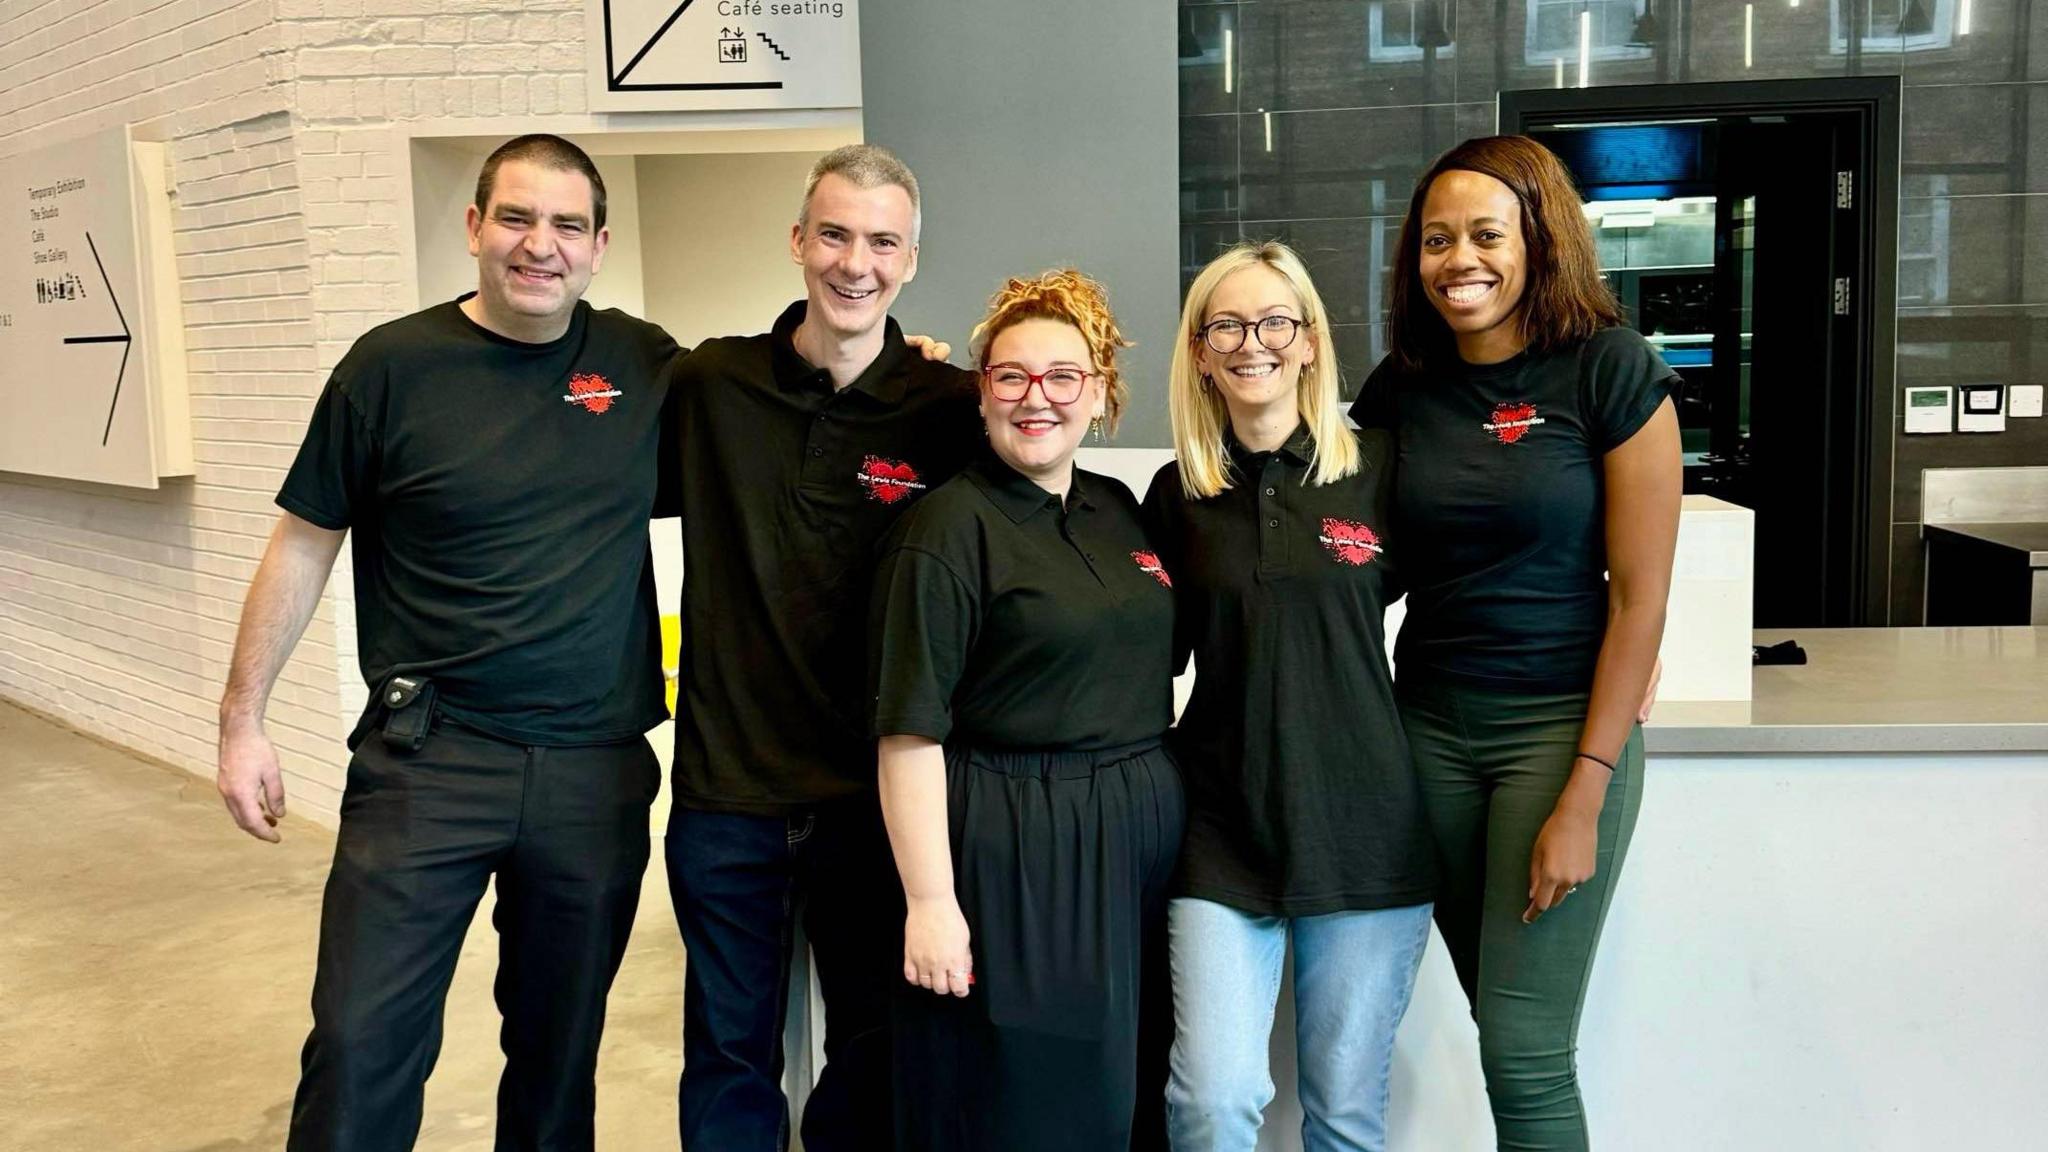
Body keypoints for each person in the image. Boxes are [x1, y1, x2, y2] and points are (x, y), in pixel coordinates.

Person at [215, 134, 679, 1150]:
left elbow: (774, 440)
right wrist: (242, 721)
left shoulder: (642, 366)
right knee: (358, 1039)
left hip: (590, 769)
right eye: (515, 217)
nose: (538, 245)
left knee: (559, 1056)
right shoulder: (390, 368)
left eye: (565, 225)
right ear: (473, 228)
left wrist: (897, 366)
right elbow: (302, 541)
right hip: (429, 763)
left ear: (598, 244)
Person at [1352, 135, 1682, 1151]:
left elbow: (1639, 602)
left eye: (1486, 235)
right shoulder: (1399, 388)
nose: (1461, 260)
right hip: (1427, 739)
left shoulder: (1610, 372)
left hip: (1556, 735)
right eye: (1436, 240)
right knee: (1500, 1025)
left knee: (1525, 1053)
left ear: (1538, 240)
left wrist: (1583, 792)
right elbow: (1357, 561)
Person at [661, 144, 982, 1151]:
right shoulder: (710, 383)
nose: (855, 262)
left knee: (875, 1053)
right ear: (797, 241)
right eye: (834, 234)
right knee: (725, 1057)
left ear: (911, 260)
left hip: (870, 805)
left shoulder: (947, 409)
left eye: (881, 242)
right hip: (727, 797)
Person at [869, 269, 1186, 1150]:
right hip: (1022, 840)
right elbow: (908, 731)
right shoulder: (947, 529)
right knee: (1042, 1097)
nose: (1035, 397)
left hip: (1139, 845)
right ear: (981, 395)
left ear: (1099, 393)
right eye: (1010, 376)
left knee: (1131, 1083)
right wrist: (930, 901)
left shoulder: (1117, 509)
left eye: (1062, 376)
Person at [1142, 242, 1436, 1151]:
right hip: (1220, 833)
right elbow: (1133, 652)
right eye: (1225, 324)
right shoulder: (1178, 493)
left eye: (1276, 321)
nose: (1251, 343)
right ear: (1198, 350)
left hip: (1367, 827)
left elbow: (1489, 586)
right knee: (1212, 1101)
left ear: (1310, 341)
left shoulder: (1382, 468)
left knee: (1345, 1115)